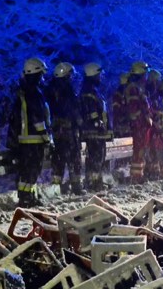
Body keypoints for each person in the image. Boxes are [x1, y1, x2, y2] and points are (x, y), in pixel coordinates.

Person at [7, 58, 52, 207]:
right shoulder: (34, 93)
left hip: (25, 141)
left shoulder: (24, 92)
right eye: (41, 74)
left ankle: (28, 196)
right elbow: (38, 118)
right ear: (35, 74)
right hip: (34, 140)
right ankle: (26, 198)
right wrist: (47, 138)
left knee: (27, 171)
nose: (42, 78)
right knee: (31, 170)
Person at [46, 62, 82, 194]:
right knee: (71, 158)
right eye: (70, 75)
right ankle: (75, 186)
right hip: (65, 131)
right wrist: (76, 121)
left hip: (60, 132)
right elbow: (70, 109)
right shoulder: (63, 90)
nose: (72, 78)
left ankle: (57, 187)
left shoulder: (53, 89)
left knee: (60, 159)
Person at [79, 62, 112, 191]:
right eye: (99, 75)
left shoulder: (91, 90)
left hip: (96, 131)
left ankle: (95, 181)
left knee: (97, 158)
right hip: (94, 131)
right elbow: (91, 111)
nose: (100, 77)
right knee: (96, 158)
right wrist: (98, 123)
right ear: (93, 75)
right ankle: (94, 183)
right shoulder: (89, 91)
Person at [124, 61, 152, 184]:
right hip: (139, 125)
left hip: (142, 124)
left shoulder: (138, 87)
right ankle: (136, 177)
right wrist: (142, 116)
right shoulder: (133, 88)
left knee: (142, 149)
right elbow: (134, 108)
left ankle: (139, 174)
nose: (146, 76)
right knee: (139, 150)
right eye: (145, 73)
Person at [111, 73, 130, 138]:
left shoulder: (123, 93)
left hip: (123, 123)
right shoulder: (119, 94)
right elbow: (117, 111)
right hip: (120, 126)